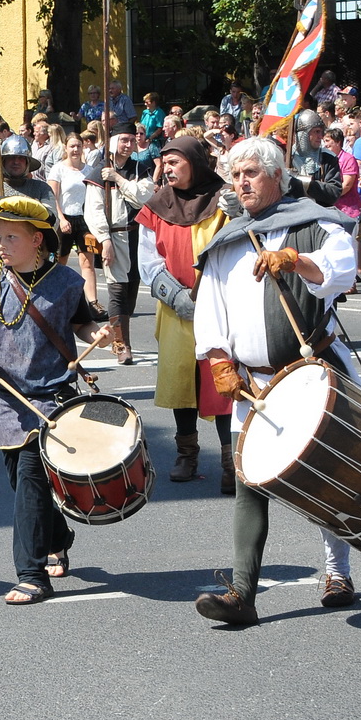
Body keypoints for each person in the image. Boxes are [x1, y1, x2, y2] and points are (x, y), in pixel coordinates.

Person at [190, 136, 361, 624]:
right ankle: (242, 594)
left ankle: (338, 571)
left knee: (323, 476)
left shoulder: (315, 223)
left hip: (314, 376)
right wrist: (221, 362)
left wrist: (296, 261)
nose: (241, 182)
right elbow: (211, 309)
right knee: (249, 484)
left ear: (278, 177)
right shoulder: (228, 239)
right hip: (256, 387)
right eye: (235, 175)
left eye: (251, 173)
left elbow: (342, 270)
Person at [0, 196, 110, 605]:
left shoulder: (67, 282)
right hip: (9, 398)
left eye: (10, 237)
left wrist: (99, 337)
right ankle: (59, 536)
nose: (0, 245)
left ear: (37, 240)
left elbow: (81, 323)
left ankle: (32, 574)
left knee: (31, 482)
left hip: (54, 397)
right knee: (21, 483)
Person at [138, 136, 235, 487]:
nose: (167, 169)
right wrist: (176, 296)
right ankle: (187, 454)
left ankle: (230, 461)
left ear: (194, 162)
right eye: (164, 163)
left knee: (222, 382)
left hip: (221, 307)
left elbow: (239, 245)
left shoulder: (223, 200)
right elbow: (148, 261)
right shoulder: (156, 206)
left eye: (175, 162)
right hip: (175, 308)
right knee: (183, 381)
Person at [84, 122, 153, 365]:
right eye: (123, 139)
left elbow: (145, 197)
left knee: (131, 293)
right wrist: (105, 240)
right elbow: (93, 210)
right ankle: (122, 344)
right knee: (116, 292)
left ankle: (121, 335)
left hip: (139, 236)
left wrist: (118, 180)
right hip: (114, 237)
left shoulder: (140, 168)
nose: (128, 144)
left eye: (131, 140)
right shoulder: (97, 173)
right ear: (113, 143)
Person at [0, 136, 58, 271]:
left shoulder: (42, 189)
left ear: (27, 163)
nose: (16, 162)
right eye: (11, 158)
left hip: (34, 259)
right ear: (2, 162)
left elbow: (52, 221)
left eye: (20, 158)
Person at [48, 133, 99, 313]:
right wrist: (61, 219)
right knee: (61, 261)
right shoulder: (58, 169)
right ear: (66, 148)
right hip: (65, 218)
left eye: (78, 146)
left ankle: (92, 303)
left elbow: (95, 197)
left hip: (85, 219)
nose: (75, 149)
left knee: (87, 263)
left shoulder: (89, 170)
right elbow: (52, 197)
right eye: (72, 146)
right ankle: (57, 301)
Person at [289, 111, 344, 208]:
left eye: (321, 132)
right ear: (303, 134)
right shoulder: (286, 157)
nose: (320, 136)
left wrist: (303, 182)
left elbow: (334, 193)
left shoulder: (328, 158)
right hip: (291, 212)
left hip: (320, 213)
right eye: (316, 131)